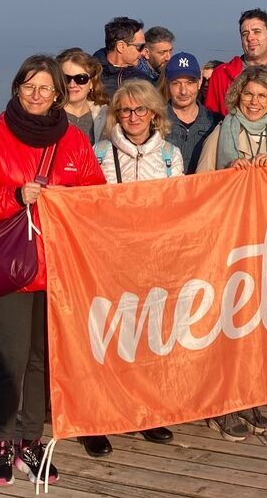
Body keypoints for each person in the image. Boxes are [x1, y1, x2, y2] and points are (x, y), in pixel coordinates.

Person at [0, 55, 106, 485]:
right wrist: (16, 197)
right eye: (28, 86)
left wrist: (66, 199)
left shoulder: (73, 141)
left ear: (58, 93)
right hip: (12, 266)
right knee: (11, 357)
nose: (37, 96)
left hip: (58, 266)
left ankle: (30, 443)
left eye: (45, 88)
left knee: (43, 360)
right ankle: (1, 441)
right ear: (17, 88)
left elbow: (95, 196)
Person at [195, 66, 267, 441]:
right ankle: (224, 403)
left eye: (263, 97)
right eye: (249, 95)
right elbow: (199, 188)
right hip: (229, 243)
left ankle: (251, 395)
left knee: (258, 325)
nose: (255, 103)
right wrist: (227, 176)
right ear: (237, 96)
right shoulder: (220, 133)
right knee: (228, 324)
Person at [90, 80, 180, 448]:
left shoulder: (170, 155)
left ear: (155, 113)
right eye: (124, 110)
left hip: (154, 260)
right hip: (109, 260)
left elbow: (180, 206)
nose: (132, 117)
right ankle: (97, 418)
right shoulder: (98, 152)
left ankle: (146, 410)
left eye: (140, 109)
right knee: (106, 338)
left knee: (148, 338)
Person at [203, 8, 267, 116]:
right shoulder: (221, 75)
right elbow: (210, 119)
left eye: (257, 32)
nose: (250, 38)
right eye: (245, 34)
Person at [161, 52, 221, 174]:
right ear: (167, 85)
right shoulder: (155, 121)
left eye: (190, 83)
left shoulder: (216, 123)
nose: (183, 91)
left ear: (199, 83)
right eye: (176, 83)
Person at [56, 48, 108, 146]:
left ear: (92, 83)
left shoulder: (105, 115)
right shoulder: (49, 116)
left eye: (81, 79)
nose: (72, 84)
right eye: (65, 78)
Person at [98, 16, 152, 96]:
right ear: (121, 46)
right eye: (140, 47)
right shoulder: (88, 76)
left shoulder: (144, 80)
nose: (144, 53)